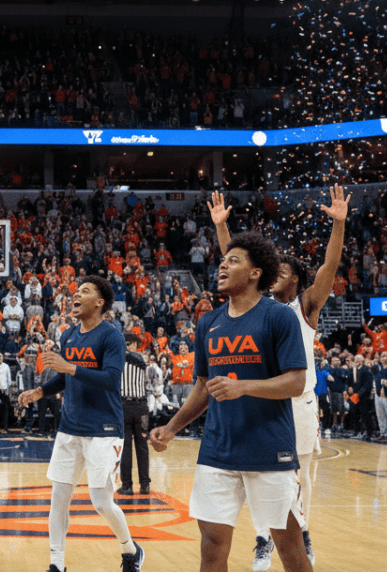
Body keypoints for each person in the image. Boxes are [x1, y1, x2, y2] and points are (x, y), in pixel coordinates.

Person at [150, 232, 311, 572]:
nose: (223, 265)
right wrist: (171, 427)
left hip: (270, 450)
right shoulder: (208, 322)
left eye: (234, 260)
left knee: (290, 551)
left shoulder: (279, 316)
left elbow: (296, 382)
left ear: (256, 273)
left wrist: (244, 387)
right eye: (223, 260)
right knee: (211, 550)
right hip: (217, 451)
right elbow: (204, 387)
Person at [211, 185, 349, 570]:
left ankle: (299, 532)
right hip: (261, 398)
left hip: (299, 403)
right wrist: (223, 229)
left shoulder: (305, 306)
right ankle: (262, 540)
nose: (277, 276)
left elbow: (330, 267)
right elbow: (237, 264)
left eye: (285, 272)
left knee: (297, 478)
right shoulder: (260, 307)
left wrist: (338, 224)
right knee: (259, 474)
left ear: (295, 281)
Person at [17, 275, 145, 572]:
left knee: (101, 502)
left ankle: (130, 549)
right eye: (75, 291)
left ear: (100, 302)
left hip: (104, 429)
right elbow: (65, 377)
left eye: (84, 291)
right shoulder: (69, 335)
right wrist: (41, 391)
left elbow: (112, 379)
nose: (76, 295)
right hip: (70, 427)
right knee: (59, 498)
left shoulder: (111, 335)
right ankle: (57, 564)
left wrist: (70, 367)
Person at [118, 332, 151, 496]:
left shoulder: (117, 359)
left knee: (126, 447)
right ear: (131, 345)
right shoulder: (142, 359)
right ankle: (145, 485)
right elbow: (149, 384)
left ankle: (127, 486)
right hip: (142, 407)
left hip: (124, 406)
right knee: (143, 445)